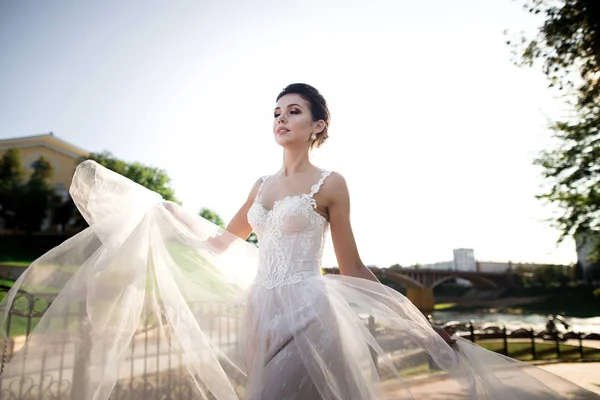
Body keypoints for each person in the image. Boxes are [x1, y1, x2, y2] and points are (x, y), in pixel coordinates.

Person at [0, 84, 598, 400]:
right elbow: (222, 243)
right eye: (276, 111)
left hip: (312, 310)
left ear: (317, 126)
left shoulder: (331, 184)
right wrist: (164, 214)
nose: (281, 118)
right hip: (258, 309)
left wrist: (417, 324)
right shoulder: (260, 185)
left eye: (293, 111)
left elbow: (353, 266)